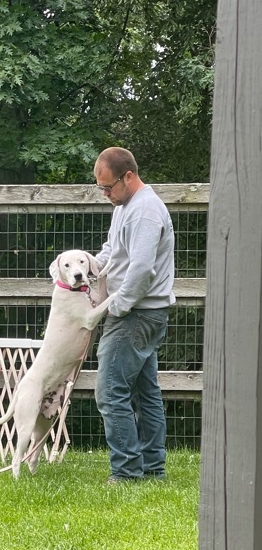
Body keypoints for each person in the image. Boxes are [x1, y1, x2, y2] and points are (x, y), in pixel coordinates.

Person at [92, 147, 175, 483]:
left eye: (108, 187)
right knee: (146, 391)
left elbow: (141, 269)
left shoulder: (144, 211)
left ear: (128, 176)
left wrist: (116, 306)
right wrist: (89, 267)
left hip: (135, 314)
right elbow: (114, 251)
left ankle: (126, 472)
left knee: (110, 391)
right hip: (144, 313)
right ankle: (153, 468)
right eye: (100, 189)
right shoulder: (125, 206)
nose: (105, 194)